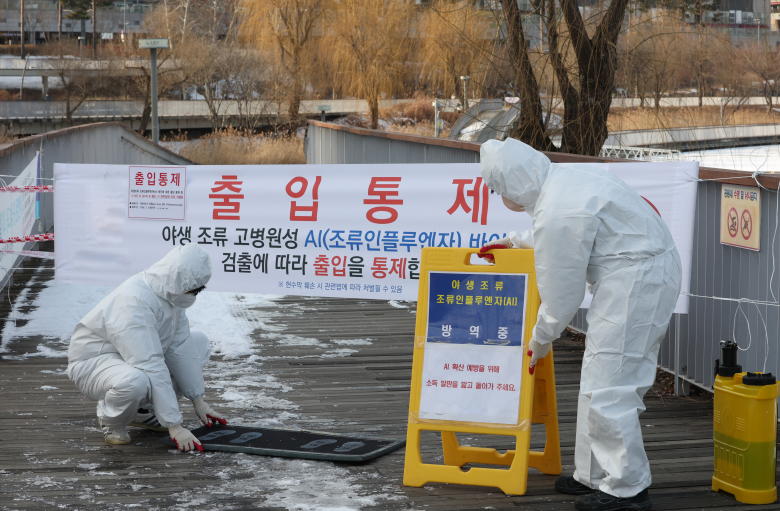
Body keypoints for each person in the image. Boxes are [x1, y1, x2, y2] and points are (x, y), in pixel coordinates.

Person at [479, 139, 681, 511]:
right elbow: (566, 231)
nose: (501, 197)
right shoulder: (562, 179)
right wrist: (515, 242)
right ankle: (593, 474)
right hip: (634, 272)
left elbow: (561, 296)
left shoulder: (558, 206)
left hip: (637, 281)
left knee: (611, 385)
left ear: (513, 185)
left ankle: (627, 487)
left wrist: (538, 341)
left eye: (498, 189)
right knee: (596, 377)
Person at [67, 244, 227, 452]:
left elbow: (180, 347)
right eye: (192, 289)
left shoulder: (172, 293)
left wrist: (198, 401)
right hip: (95, 362)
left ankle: (141, 412)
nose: (194, 295)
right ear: (179, 280)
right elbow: (150, 362)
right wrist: (174, 425)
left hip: (133, 359)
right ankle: (111, 420)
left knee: (199, 343)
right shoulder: (133, 300)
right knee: (135, 380)